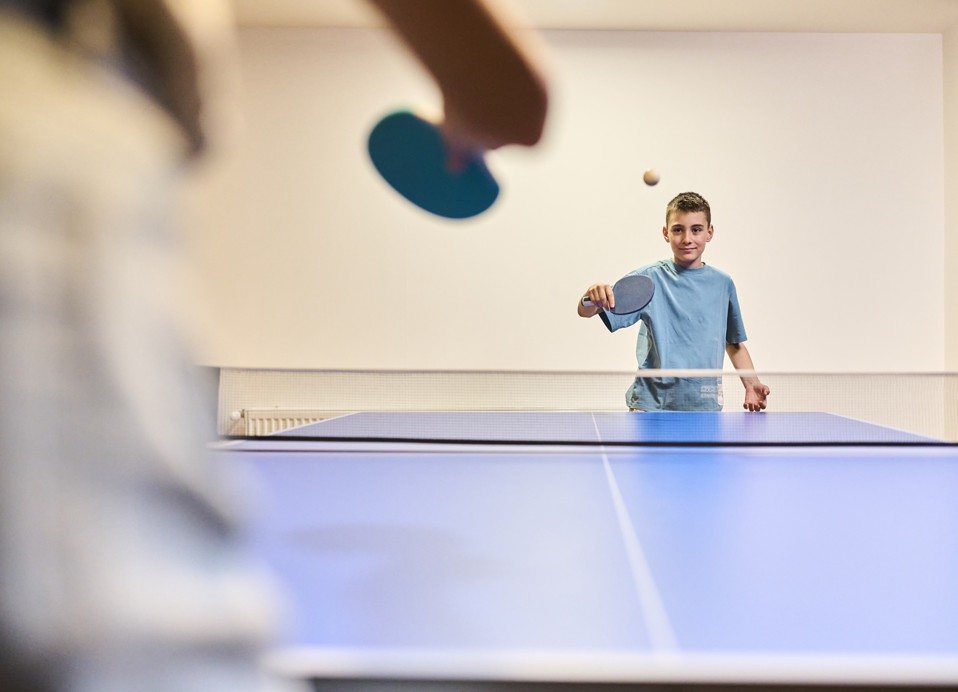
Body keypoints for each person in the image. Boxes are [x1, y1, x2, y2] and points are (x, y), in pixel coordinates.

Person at [0, 1, 549, 691]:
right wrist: (467, 115)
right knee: (131, 650)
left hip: (74, 151)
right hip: (51, 119)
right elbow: (516, 103)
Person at [578, 192, 770, 412]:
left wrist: (752, 383)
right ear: (666, 233)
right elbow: (586, 311)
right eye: (678, 229)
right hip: (652, 405)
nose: (687, 238)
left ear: (709, 232)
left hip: (704, 405)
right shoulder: (648, 280)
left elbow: (734, 343)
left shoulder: (723, 283)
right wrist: (590, 297)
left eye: (696, 229)